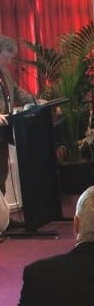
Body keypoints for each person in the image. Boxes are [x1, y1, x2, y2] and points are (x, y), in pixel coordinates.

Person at [0, 34, 34, 205]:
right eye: (8, 57)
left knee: (2, 173)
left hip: (3, 132)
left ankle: (2, 216)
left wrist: (36, 102)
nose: (9, 62)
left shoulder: (4, 74)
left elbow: (18, 92)